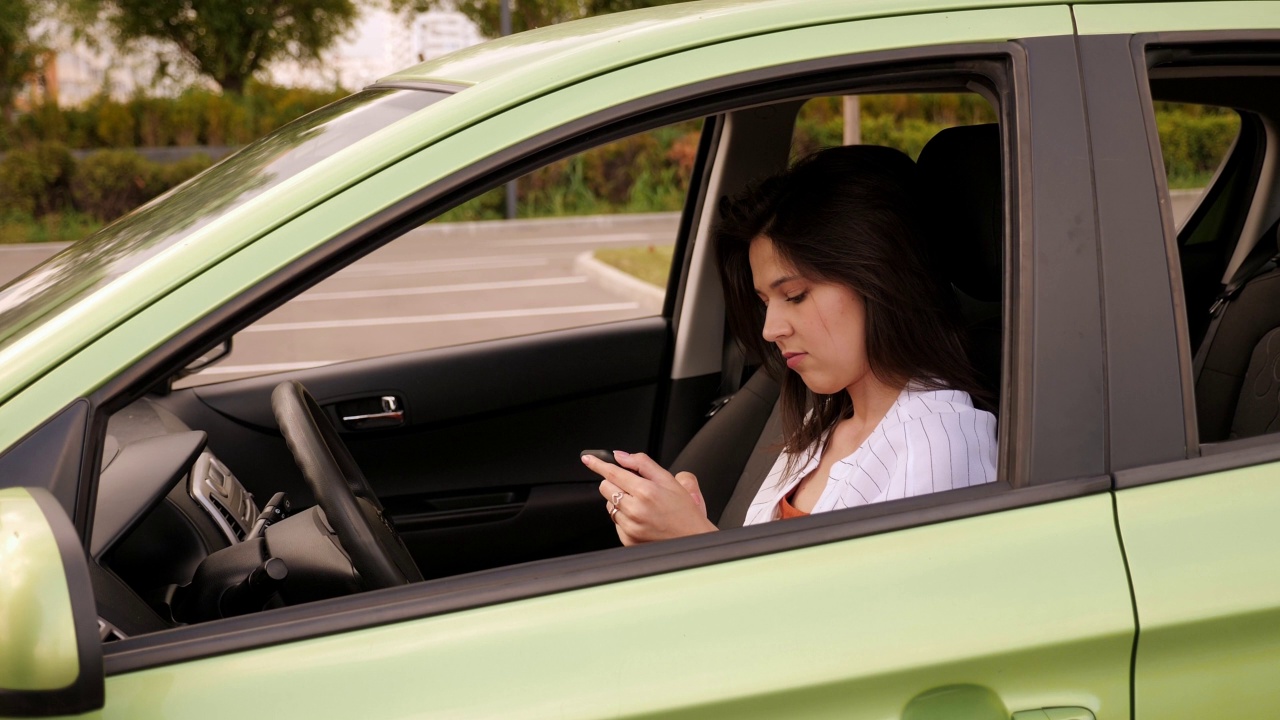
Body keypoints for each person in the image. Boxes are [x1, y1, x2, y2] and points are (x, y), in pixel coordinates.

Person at [581, 144, 997, 545]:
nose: (770, 329)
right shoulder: (821, 425)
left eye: (795, 295)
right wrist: (685, 533)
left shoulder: (937, 445)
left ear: (881, 280)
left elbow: (887, 617)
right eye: (764, 303)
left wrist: (694, 539)